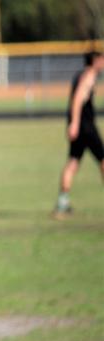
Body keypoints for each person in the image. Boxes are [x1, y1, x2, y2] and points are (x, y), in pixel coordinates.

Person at [54, 50, 104, 218]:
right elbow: (76, 100)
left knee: (73, 162)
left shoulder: (80, 75)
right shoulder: (89, 76)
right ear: (95, 61)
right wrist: (75, 123)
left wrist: (72, 124)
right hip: (86, 127)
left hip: (79, 126)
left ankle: (62, 203)